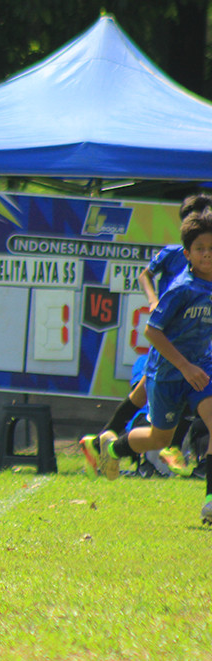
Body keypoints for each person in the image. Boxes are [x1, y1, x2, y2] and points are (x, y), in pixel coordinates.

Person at [84, 209, 212, 524]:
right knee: (160, 440)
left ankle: (210, 502)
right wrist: (184, 367)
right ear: (187, 254)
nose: (207, 254)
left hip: (202, 369)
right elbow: (151, 332)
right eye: (200, 249)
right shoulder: (182, 289)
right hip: (169, 373)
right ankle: (112, 450)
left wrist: (194, 366)